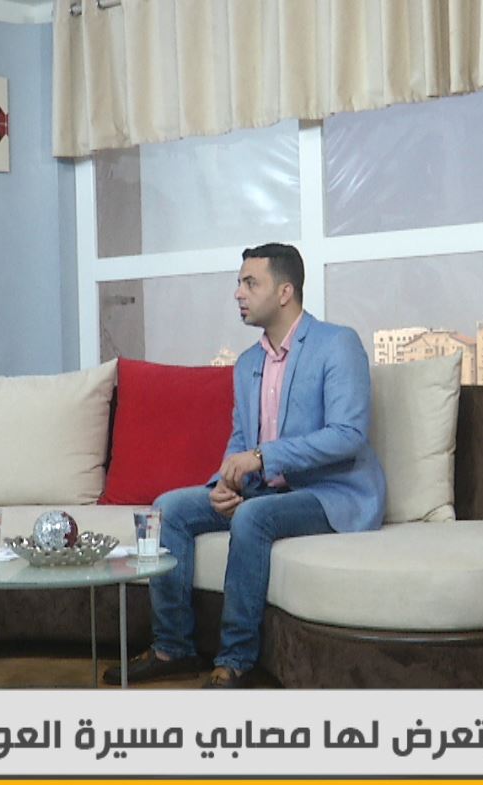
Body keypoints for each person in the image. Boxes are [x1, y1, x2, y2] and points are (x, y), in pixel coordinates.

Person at [106, 243, 386, 689]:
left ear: (285, 292)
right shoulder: (248, 363)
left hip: (331, 494)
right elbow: (241, 439)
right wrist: (225, 482)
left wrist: (262, 457)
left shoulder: (338, 344)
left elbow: (347, 434)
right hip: (267, 489)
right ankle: (172, 647)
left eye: (250, 283)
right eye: (239, 283)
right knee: (168, 509)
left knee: (253, 516)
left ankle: (237, 660)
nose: (238, 292)